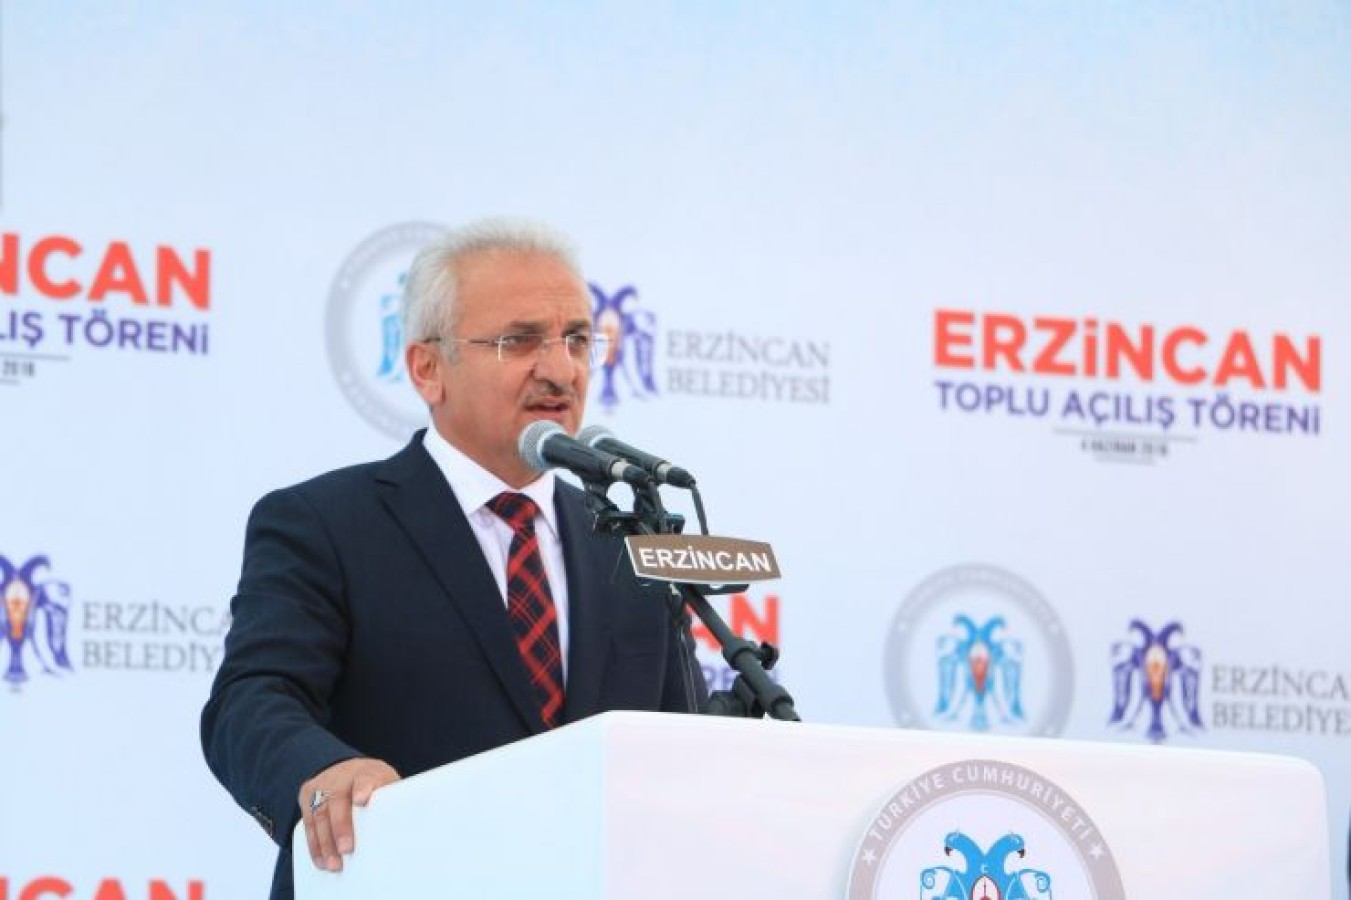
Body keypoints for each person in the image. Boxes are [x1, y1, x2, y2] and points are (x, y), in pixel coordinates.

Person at [200, 218, 708, 899]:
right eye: (518, 340)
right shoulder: (323, 524)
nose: (561, 370)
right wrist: (321, 772)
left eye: (577, 340)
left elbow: (678, 747)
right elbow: (251, 701)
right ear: (427, 368)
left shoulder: (628, 541)